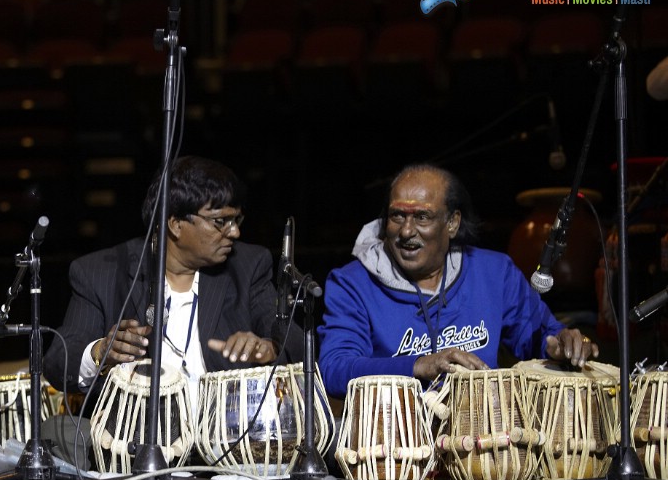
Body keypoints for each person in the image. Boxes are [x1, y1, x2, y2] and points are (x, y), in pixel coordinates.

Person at [42, 155, 303, 410]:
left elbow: (297, 344)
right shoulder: (101, 272)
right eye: (221, 222)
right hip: (135, 438)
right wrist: (101, 352)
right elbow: (57, 364)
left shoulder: (248, 266)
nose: (235, 232)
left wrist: (269, 349)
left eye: (237, 219)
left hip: (223, 434)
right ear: (176, 224)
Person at [317, 163, 599, 397]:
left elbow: (540, 335)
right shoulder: (352, 283)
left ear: (452, 223)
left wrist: (563, 344)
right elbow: (335, 370)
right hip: (393, 449)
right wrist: (418, 365)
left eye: (422, 217)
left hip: (481, 445)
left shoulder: (494, 272)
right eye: (397, 216)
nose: (406, 231)